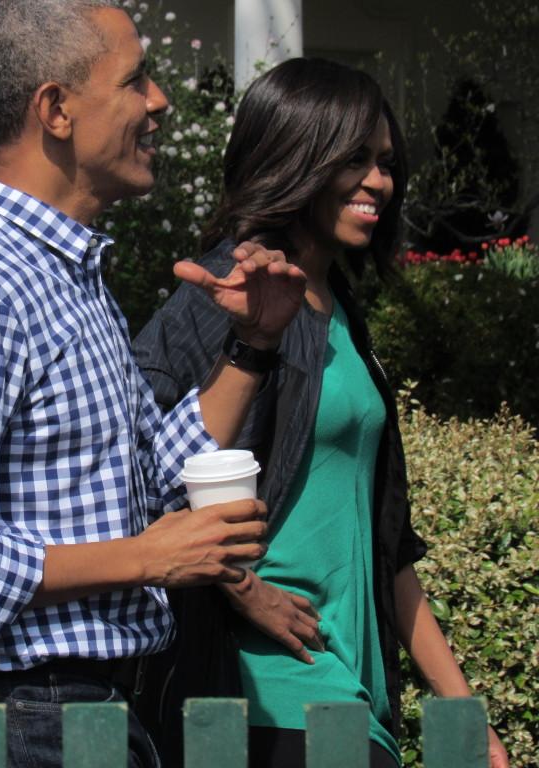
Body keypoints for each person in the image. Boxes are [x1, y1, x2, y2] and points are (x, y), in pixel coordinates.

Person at [0, 2, 308, 766]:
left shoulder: (61, 276)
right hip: (9, 724)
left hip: (70, 716)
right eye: (135, 80)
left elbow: (149, 480)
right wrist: (145, 558)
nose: (160, 100)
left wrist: (252, 346)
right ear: (56, 110)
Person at [133, 57, 510, 768]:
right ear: (297, 155)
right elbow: (128, 471)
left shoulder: (341, 314)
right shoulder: (229, 291)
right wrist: (243, 589)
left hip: (349, 687)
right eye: (356, 159)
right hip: (262, 688)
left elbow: (389, 546)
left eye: (386, 163)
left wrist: (466, 715)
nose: (380, 182)